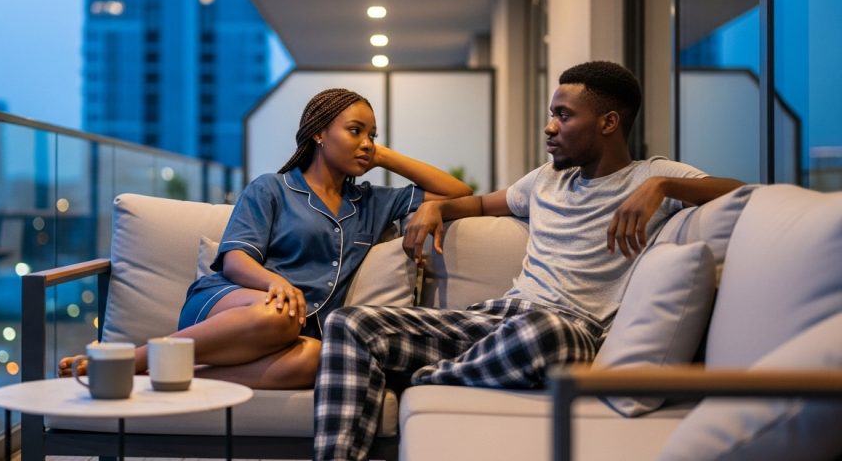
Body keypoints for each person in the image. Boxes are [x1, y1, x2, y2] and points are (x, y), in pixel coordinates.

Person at [312, 61, 744, 460]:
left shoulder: (649, 176)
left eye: (564, 115)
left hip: (573, 331)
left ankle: (425, 378)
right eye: (552, 114)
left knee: (546, 330)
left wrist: (665, 187)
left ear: (609, 122)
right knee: (348, 324)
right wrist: (436, 209)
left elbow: (743, 193)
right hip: (499, 320)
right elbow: (480, 204)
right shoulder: (546, 179)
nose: (549, 126)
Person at [59, 88, 471, 389]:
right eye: (355, 131)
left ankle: (171, 372)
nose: (366, 142)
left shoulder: (370, 202)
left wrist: (380, 155)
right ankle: (134, 361)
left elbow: (456, 192)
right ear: (319, 134)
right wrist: (277, 283)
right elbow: (236, 260)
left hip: (295, 332)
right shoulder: (271, 188)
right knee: (280, 313)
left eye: (372, 134)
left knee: (318, 359)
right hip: (232, 305)